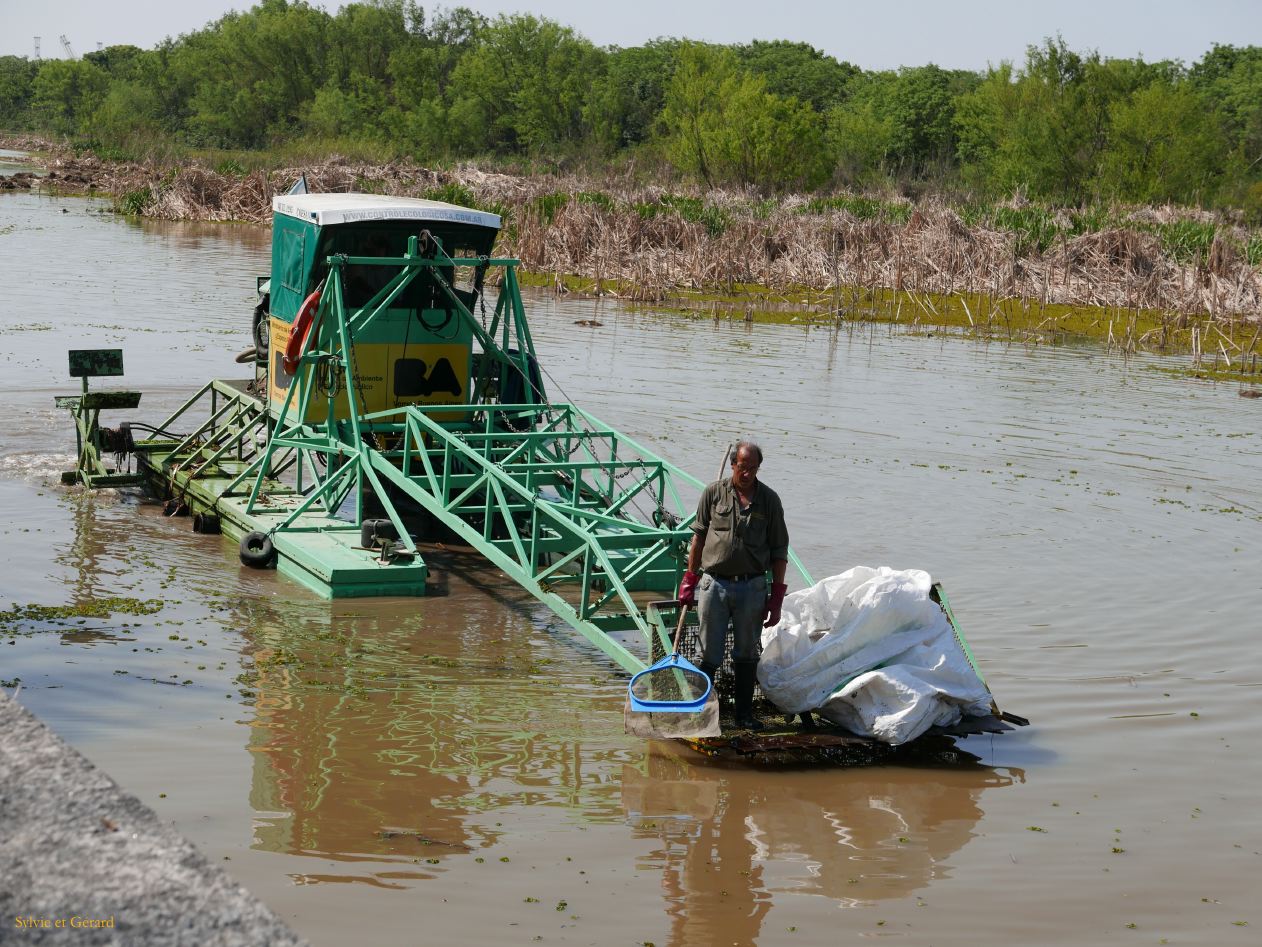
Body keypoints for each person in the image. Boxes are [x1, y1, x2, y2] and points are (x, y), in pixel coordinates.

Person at [677, 441, 789, 731]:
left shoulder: (769, 500)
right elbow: (699, 538)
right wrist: (690, 579)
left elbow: (779, 551)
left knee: (746, 653)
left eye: (753, 468)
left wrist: (776, 596)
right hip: (714, 584)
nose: (747, 474)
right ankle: (699, 715)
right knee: (707, 653)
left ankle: (744, 716)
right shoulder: (713, 493)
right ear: (732, 465)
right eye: (742, 467)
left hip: (752, 587)